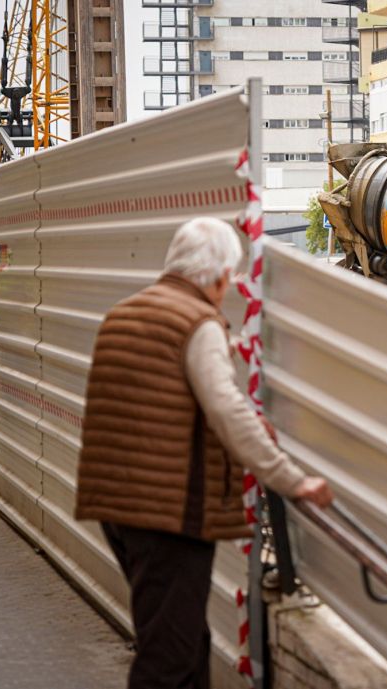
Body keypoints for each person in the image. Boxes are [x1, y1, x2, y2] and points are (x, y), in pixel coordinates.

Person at [75, 217, 333, 689]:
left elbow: (157, 388)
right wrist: (292, 480)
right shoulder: (198, 324)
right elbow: (229, 412)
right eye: (227, 281)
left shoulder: (127, 313)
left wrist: (222, 347)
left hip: (118, 509)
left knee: (187, 643)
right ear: (216, 278)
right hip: (169, 516)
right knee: (168, 660)